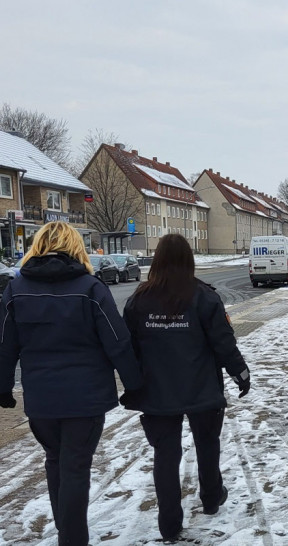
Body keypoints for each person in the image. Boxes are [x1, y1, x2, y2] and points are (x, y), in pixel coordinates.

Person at [0, 221, 142, 546]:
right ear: (76, 246)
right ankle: (73, 540)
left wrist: (3, 387)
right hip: (86, 400)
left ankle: (68, 534)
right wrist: (134, 383)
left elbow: (5, 344)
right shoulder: (90, 288)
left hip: (41, 400)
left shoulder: (15, 289)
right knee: (75, 467)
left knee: (55, 460)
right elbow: (118, 341)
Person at [121, 234, 250, 542]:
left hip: (157, 392)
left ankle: (169, 522)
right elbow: (223, 342)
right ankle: (210, 497)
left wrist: (133, 382)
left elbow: (127, 346)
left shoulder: (139, 299)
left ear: (157, 260)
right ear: (189, 260)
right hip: (201, 388)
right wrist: (240, 374)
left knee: (165, 454)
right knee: (207, 444)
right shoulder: (204, 296)